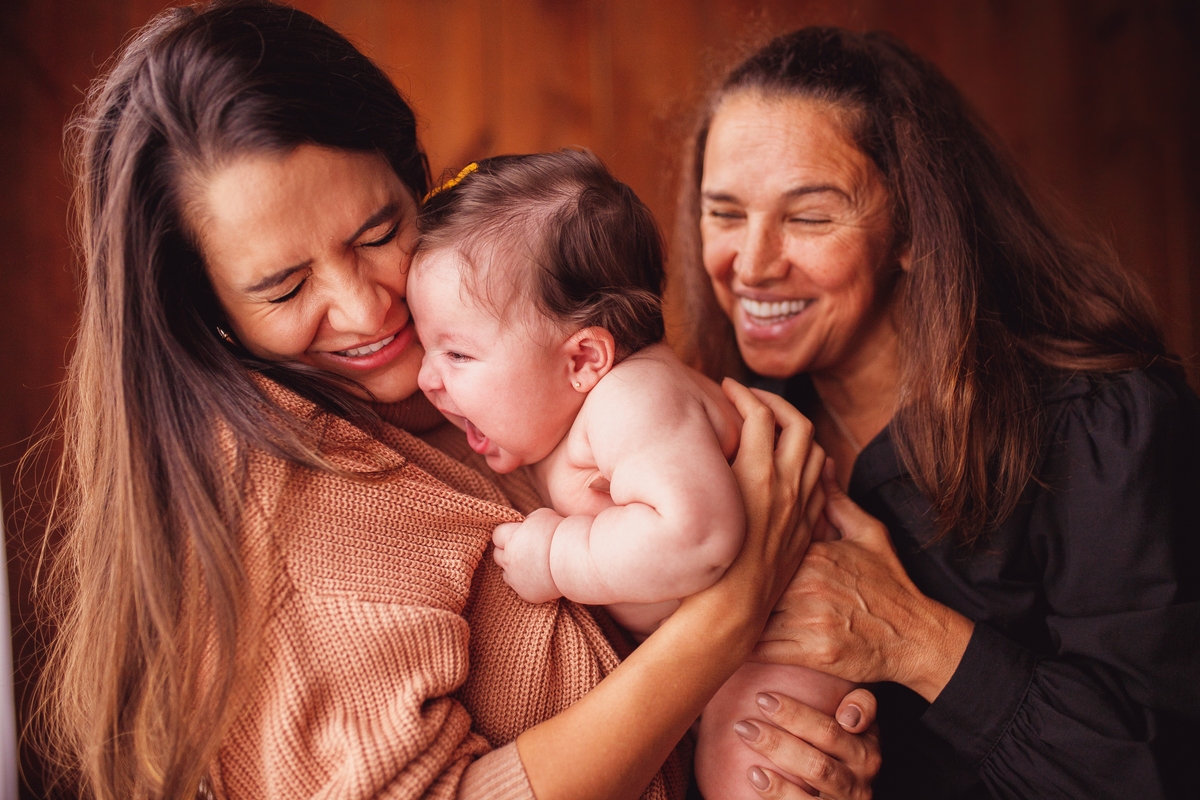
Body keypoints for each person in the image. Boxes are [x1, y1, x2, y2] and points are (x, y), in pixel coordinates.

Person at [39, 4, 874, 800]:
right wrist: (734, 609)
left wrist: (790, 718)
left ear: (416, 185)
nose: (369, 310)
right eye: (287, 287)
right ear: (206, 311)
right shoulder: (292, 514)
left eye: (377, 234)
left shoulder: (484, 348)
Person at [672, 25, 1200, 799]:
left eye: (810, 217)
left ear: (913, 229)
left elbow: (1164, 770)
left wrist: (915, 640)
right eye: (724, 214)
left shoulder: (1105, 419)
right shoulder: (727, 428)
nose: (751, 264)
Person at [406, 149, 857, 799]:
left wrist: (562, 554)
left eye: (456, 352)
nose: (428, 378)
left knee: (746, 771)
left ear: (585, 357)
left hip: (783, 641)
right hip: (728, 646)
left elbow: (696, 538)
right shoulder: (580, 409)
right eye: (427, 348)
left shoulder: (631, 400)